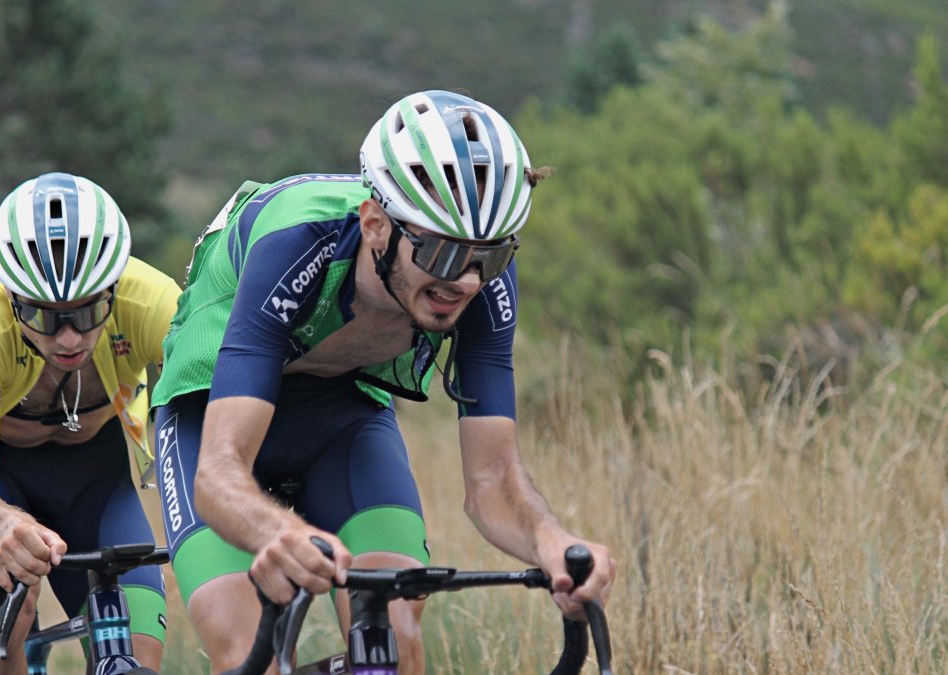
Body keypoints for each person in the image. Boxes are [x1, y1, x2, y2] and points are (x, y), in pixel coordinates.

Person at [153, 90, 616, 673]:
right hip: (210, 409)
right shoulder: (298, 244)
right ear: (376, 226)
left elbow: (493, 477)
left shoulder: (483, 279)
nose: (468, 281)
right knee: (249, 648)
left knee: (395, 642)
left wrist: (552, 543)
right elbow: (219, 473)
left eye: (490, 257)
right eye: (446, 254)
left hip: (341, 412)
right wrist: (278, 530)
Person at [0, 172, 181, 673]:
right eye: (45, 318)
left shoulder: (149, 299)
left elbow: (220, 398)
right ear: (14, 300)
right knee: (3, 604)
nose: (69, 339)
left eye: (88, 312)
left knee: (138, 649)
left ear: (113, 289)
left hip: (93, 474)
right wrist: (7, 524)